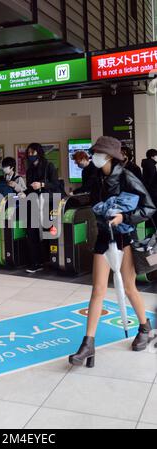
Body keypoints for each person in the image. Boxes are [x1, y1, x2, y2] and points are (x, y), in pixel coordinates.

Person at [69, 136, 156, 368]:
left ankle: (145, 326)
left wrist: (124, 217)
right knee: (97, 290)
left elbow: (149, 206)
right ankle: (88, 345)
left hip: (122, 238)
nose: (94, 157)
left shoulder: (127, 176)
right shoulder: (96, 176)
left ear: (108, 156)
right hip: (102, 238)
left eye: (97, 153)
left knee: (129, 288)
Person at [25, 143, 64, 274]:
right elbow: (29, 187)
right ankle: (36, 262)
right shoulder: (29, 169)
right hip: (34, 203)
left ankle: (53, 260)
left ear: (39, 152)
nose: (30, 155)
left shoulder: (49, 166)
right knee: (32, 232)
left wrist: (41, 184)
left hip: (48, 203)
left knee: (50, 233)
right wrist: (23, 192)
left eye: (33, 153)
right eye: (29, 153)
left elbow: (56, 184)